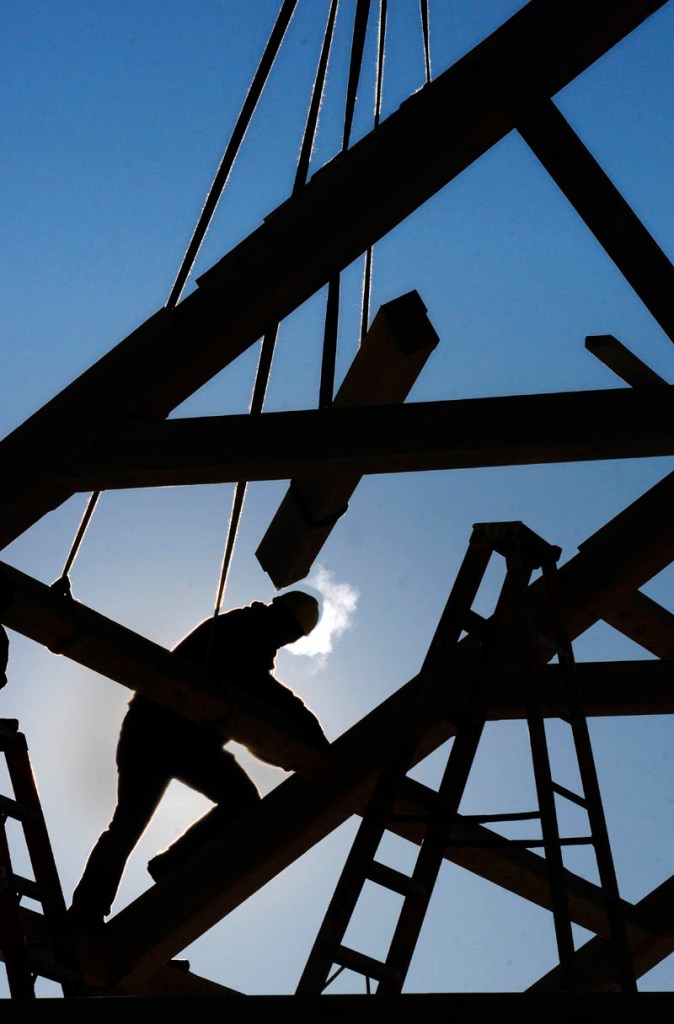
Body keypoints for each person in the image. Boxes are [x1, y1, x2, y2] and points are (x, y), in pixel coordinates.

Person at [68, 590, 329, 933]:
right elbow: (262, 690)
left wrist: (291, 746)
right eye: (289, 631)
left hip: (184, 742)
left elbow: (255, 707)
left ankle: (169, 868)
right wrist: (313, 735)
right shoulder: (239, 631)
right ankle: (88, 912)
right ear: (277, 614)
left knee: (240, 803)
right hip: (156, 732)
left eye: (293, 637)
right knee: (128, 827)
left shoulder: (250, 641)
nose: (286, 640)